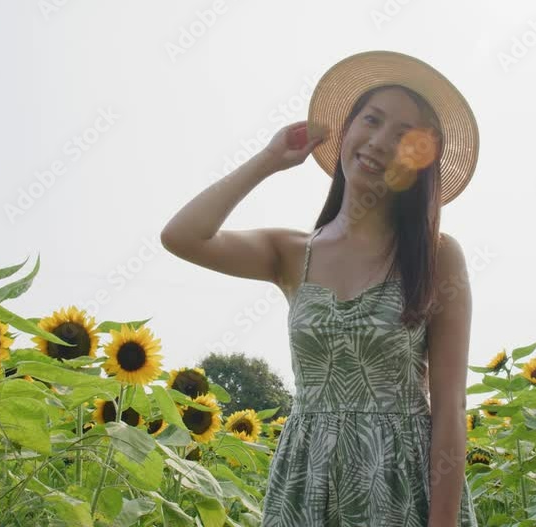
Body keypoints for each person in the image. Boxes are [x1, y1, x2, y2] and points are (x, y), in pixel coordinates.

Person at [162, 50, 480, 526]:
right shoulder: (291, 253)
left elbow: (451, 409)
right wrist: (269, 159)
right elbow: (182, 236)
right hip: (307, 480)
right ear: (346, 129)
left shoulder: (437, 257)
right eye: (371, 120)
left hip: (400, 485)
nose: (378, 142)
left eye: (403, 136)